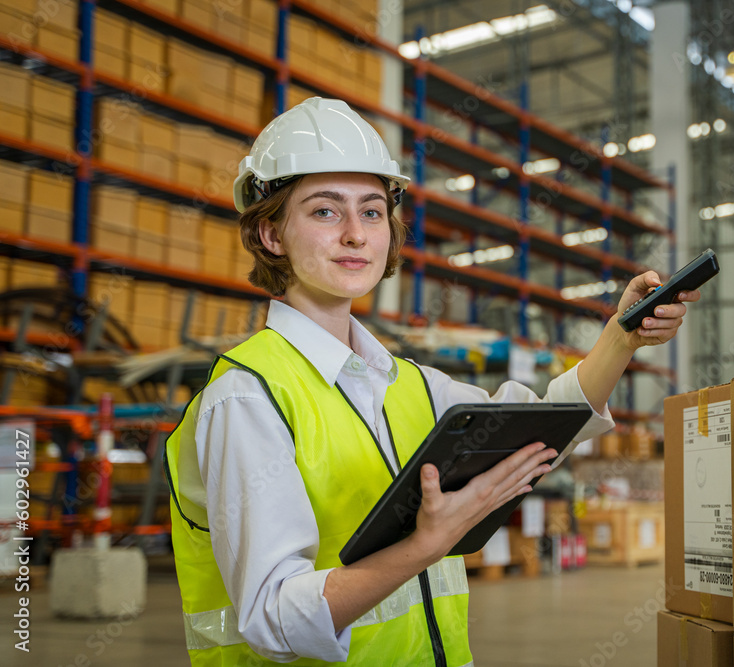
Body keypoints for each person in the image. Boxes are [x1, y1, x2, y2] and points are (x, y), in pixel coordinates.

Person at [165, 97, 700, 666]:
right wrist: (426, 544)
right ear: (271, 234)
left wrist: (620, 337)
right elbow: (274, 618)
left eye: (372, 212)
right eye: (325, 211)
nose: (355, 234)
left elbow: (544, 420)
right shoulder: (247, 396)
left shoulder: (412, 385)